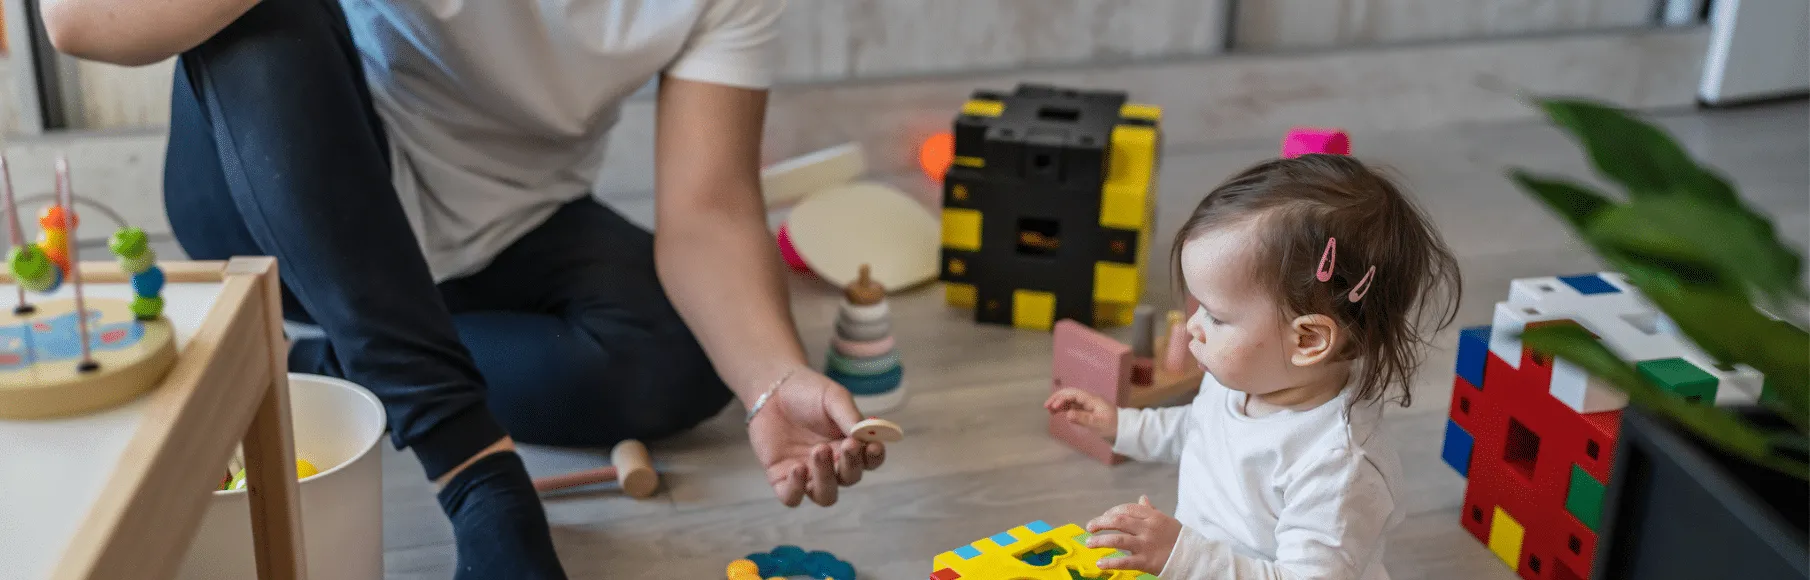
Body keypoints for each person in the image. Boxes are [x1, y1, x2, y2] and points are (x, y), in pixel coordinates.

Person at [41, 0, 886, 578]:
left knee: (682, 357)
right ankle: (474, 472)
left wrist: (770, 379)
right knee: (257, 12)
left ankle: (336, 354)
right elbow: (78, 18)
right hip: (273, 192)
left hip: (506, 219)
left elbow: (707, 211)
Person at [1046, 154, 1461, 578]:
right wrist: (1121, 426)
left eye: (1216, 316)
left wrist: (1183, 555)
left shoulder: (1337, 468)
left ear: (1308, 340)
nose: (1193, 326)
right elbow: (1198, 432)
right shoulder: (1246, 380)